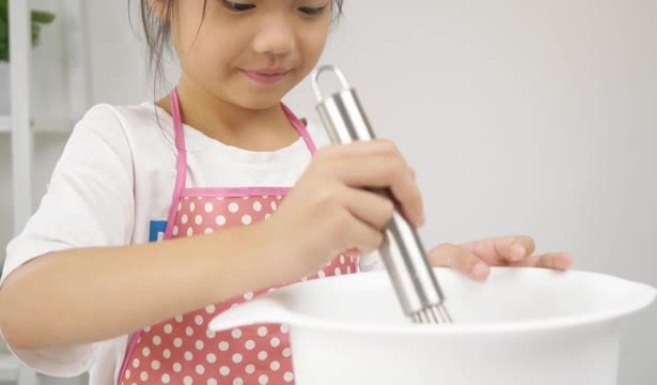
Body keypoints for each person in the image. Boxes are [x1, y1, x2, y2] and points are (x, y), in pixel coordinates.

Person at [0, 1, 573, 384]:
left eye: (308, 6)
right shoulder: (124, 145)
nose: (277, 39)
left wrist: (440, 275)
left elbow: (368, 315)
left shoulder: (333, 153)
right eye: (240, 2)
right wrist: (273, 245)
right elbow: (24, 312)